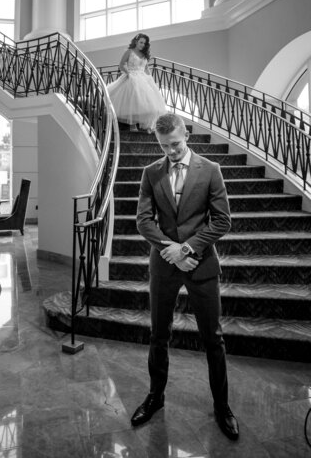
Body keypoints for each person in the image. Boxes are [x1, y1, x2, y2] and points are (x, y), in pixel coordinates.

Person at [130, 112, 239, 441]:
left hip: (201, 264)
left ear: (186, 135)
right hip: (164, 264)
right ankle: (155, 397)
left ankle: (222, 406)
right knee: (158, 336)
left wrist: (187, 250)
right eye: (164, 146)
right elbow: (143, 221)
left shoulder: (211, 171)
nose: (171, 151)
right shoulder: (151, 173)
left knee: (213, 339)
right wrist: (172, 250)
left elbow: (222, 221)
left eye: (175, 144)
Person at [107, 33, 165, 132]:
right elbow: (121, 65)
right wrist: (128, 73)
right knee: (133, 100)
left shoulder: (145, 55)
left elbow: (146, 68)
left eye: (144, 43)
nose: (142, 44)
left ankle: (147, 125)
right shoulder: (129, 52)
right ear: (136, 41)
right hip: (131, 76)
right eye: (141, 42)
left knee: (149, 104)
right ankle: (132, 125)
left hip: (143, 78)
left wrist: (151, 79)